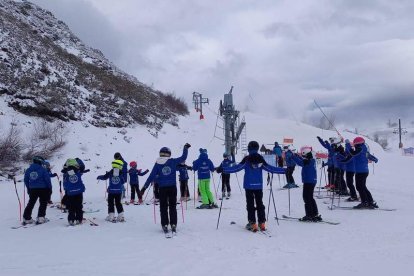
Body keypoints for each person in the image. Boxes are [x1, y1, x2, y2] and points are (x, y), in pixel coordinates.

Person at [222, 141, 285, 232]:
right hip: (258, 186)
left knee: (250, 205)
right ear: (257, 148)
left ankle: (253, 223)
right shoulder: (260, 158)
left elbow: (237, 168)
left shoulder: (247, 159)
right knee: (260, 203)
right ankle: (262, 223)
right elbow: (270, 168)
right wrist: (284, 170)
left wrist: (224, 169)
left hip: (248, 186)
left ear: (249, 148)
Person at [140, 143, 191, 234]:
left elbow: (151, 176)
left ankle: (165, 224)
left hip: (162, 188)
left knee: (163, 207)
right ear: (169, 153)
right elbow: (183, 157)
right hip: (172, 188)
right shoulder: (172, 161)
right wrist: (185, 148)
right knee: (172, 206)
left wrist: (144, 188)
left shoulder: (157, 164)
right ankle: (173, 224)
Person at [341, 137, 378, 209]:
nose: (354, 146)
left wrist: (348, 144)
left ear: (358, 144)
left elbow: (352, 153)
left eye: (355, 144)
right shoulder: (363, 149)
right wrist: (375, 159)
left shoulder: (360, 148)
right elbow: (368, 155)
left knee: (359, 187)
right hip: (363, 171)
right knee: (362, 187)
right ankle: (370, 201)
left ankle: (364, 202)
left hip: (361, 171)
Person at [291, 146, 321, 222]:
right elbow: (303, 160)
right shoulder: (311, 160)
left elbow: (300, 162)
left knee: (306, 198)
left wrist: (293, 157)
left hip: (308, 181)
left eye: (303, 155)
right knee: (310, 197)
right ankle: (314, 213)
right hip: (311, 181)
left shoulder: (308, 161)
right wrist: (297, 156)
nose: (303, 156)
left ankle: (309, 215)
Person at [22, 156, 52, 225]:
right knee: (43, 203)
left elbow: (26, 180)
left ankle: (27, 218)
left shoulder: (28, 169)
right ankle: (41, 217)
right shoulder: (43, 169)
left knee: (31, 203)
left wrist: (28, 188)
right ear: (40, 162)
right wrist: (49, 188)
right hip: (43, 189)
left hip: (32, 189)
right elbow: (47, 180)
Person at [62, 158, 86, 226]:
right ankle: (79, 219)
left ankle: (71, 220)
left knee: (71, 207)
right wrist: (83, 188)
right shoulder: (78, 172)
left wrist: (67, 189)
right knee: (79, 206)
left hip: (70, 193)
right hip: (79, 192)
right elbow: (80, 182)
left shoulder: (67, 173)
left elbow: (65, 183)